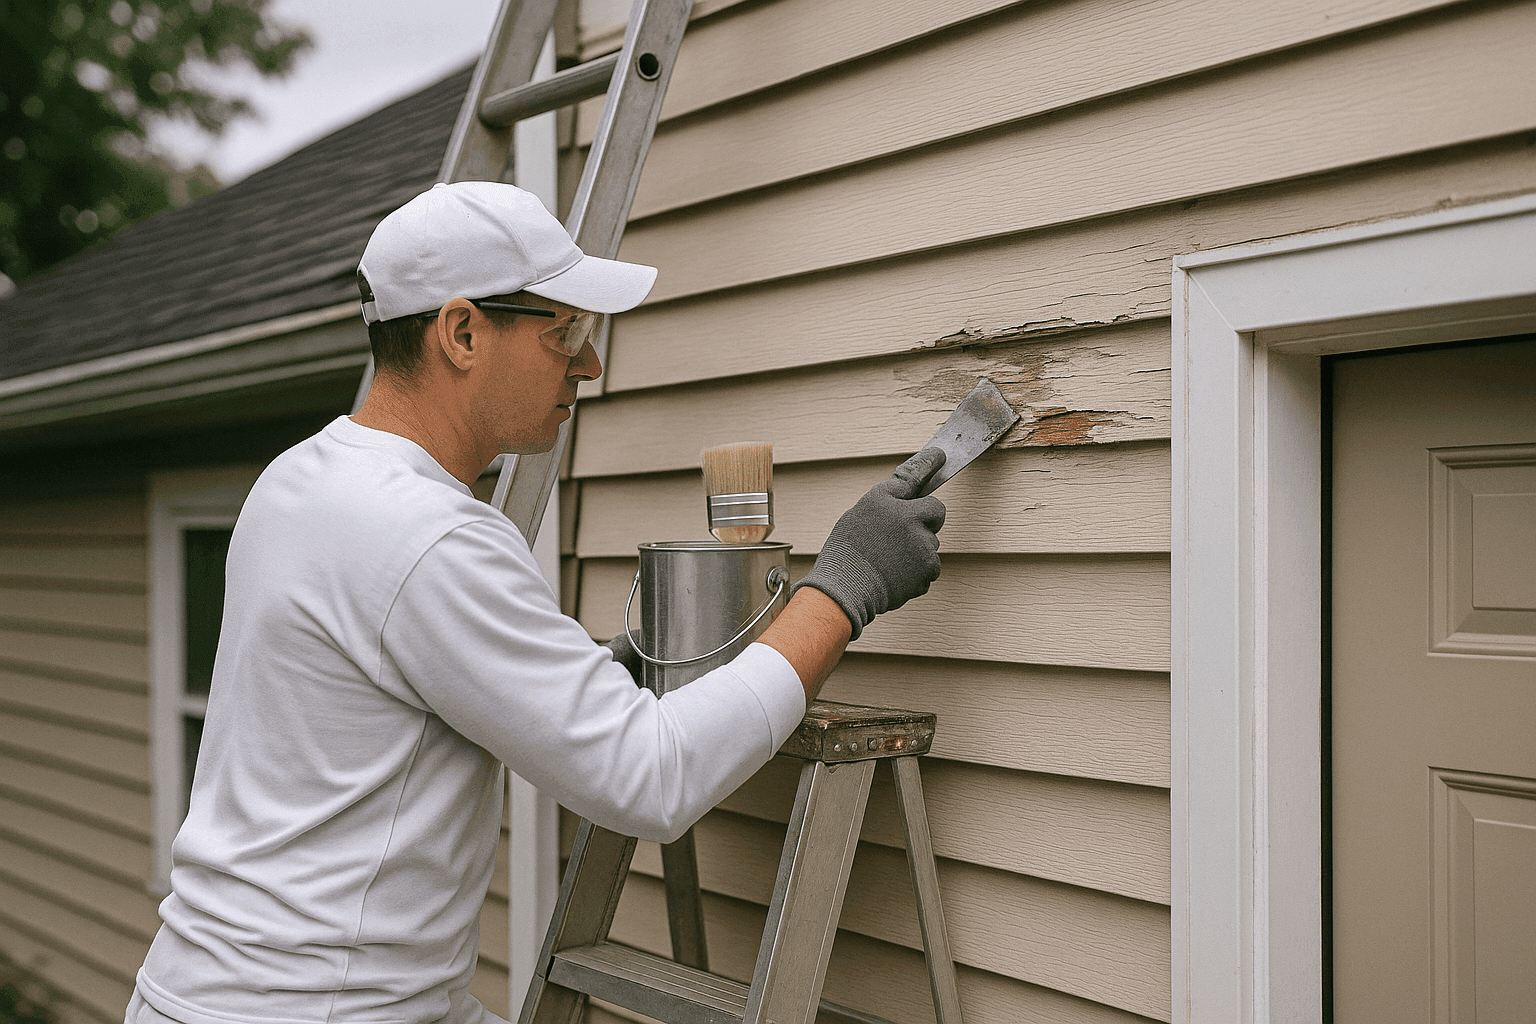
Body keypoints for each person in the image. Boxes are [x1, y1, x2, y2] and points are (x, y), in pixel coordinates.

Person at [126, 181, 947, 1024]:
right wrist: (843, 587)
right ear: (463, 332)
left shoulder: (299, 480)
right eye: (566, 331)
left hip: (222, 993)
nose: (588, 364)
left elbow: (386, 690)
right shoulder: (430, 535)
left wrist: (580, 677)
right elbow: (650, 777)